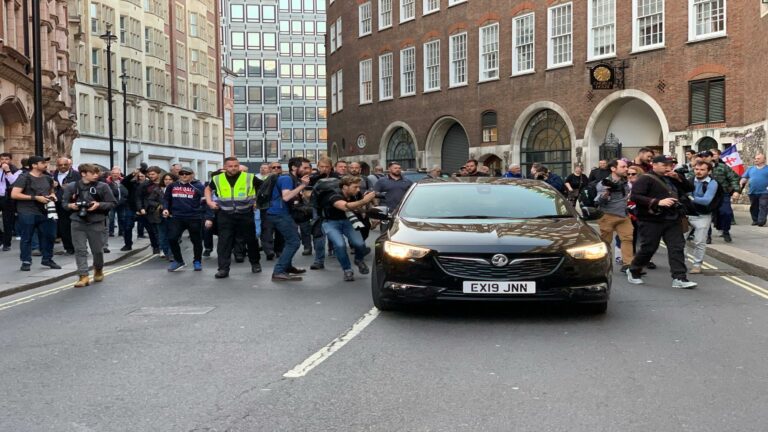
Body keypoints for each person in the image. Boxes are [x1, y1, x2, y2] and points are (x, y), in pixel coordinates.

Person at [627, 155, 697, 289]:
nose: (668, 168)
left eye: (670, 165)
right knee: (649, 248)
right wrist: (658, 202)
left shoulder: (672, 177)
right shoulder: (645, 178)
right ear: (654, 165)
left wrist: (678, 178)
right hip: (651, 219)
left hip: (672, 218)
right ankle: (634, 270)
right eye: (664, 165)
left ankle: (679, 278)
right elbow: (635, 196)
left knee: (677, 247)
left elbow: (690, 188)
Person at [204, 157, 262, 278]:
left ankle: (255, 263)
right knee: (224, 242)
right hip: (225, 214)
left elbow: (263, 188)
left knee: (251, 240)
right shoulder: (217, 178)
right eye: (230, 166)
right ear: (225, 167)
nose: (233, 168)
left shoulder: (249, 177)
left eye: (236, 165)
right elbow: (208, 189)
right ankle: (223, 269)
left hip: (245, 213)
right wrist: (209, 202)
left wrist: (258, 201)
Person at [62, 164, 116, 287]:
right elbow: (64, 203)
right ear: (83, 174)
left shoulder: (103, 186)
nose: (96, 175)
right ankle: (83, 276)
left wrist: (98, 205)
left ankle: (98, 269)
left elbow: (112, 203)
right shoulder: (72, 187)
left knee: (97, 251)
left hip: (96, 222)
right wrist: (71, 206)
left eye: (97, 173)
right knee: (80, 250)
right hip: (77, 222)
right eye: (93, 173)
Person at [10, 156, 61, 271]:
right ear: (34, 165)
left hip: (46, 211)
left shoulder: (48, 178)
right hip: (27, 211)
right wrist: (35, 198)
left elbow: (51, 190)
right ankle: (26, 261)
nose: (45, 164)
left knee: (50, 236)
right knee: (27, 237)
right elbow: (14, 194)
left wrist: (52, 195)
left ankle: (47, 259)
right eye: (42, 162)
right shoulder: (24, 177)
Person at [265, 157, 311, 282]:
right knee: (294, 242)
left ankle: (287, 267)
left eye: (309, 167)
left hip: (283, 213)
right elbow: (286, 197)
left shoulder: (293, 179)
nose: (308, 170)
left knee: (289, 240)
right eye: (305, 167)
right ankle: (279, 271)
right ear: (294, 168)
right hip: (279, 214)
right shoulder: (286, 178)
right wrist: (303, 185)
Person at [321, 176, 376, 281]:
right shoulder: (333, 195)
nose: (358, 189)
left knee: (359, 243)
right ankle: (347, 270)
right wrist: (364, 201)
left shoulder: (356, 195)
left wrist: (372, 214)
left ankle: (359, 260)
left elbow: (359, 208)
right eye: (355, 187)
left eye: (359, 187)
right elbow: (345, 206)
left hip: (348, 221)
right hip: (331, 222)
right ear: (345, 187)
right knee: (340, 245)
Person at [163, 167, 206, 272]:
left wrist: (205, 214)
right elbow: (166, 199)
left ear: (192, 174)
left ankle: (197, 261)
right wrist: (165, 209)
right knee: (172, 238)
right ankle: (178, 261)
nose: (184, 175)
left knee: (196, 240)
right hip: (177, 217)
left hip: (194, 217)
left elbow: (206, 201)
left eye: (187, 173)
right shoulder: (172, 186)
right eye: (182, 173)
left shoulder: (199, 186)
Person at [595, 159, 633, 272]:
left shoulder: (625, 181)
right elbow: (598, 201)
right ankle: (604, 264)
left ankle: (628, 265)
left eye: (626, 166)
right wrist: (605, 195)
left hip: (623, 215)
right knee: (606, 242)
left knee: (628, 239)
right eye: (623, 167)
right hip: (608, 215)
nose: (626, 169)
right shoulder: (603, 183)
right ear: (613, 169)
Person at [686, 161, 720, 274]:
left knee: (699, 241)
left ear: (709, 171)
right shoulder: (689, 180)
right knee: (680, 240)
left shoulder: (713, 183)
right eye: (696, 169)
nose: (698, 172)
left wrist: (690, 197)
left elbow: (706, 201)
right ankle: (681, 262)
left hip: (703, 216)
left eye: (702, 170)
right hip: (686, 214)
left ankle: (697, 265)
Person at [701, 149, 740, 243]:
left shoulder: (723, 167)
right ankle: (708, 236)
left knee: (726, 213)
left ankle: (725, 231)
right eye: (702, 157)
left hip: (722, 194)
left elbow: (734, 178)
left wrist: (736, 191)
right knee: (707, 216)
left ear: (711, 157)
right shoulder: (699, 168)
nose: (704, 158)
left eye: (706, 156)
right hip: (706, 195)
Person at [51, 157, 81, 255]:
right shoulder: (52, 175)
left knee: (75, 227)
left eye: (65, 164)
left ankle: (78, 247)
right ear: (57, 166)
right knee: (63, 227)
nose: (63, 167)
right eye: (60, 165)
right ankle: (68, 248)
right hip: (59, 204)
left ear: (70, 165)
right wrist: (53, 187)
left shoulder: (77, 175)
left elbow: (82, 187)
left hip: (73, 204)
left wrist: (74, 192)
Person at [308, 157, 333, 270]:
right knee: (319, 234)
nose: (324, 169)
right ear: (318, 167)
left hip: (334, 208)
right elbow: (306, 193)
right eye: (322, 167)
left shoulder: (336, 177)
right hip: (317, 208)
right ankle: (319, 260)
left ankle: (335, 250)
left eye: (326, 167)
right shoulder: (312, 178)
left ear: (330, 167)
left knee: (335, 233)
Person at [134, 166, 164, 254]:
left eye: (153, 174)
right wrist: (141, 208)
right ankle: (156, 246)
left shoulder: (164, 183)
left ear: (159, 174)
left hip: (162, 209)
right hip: (149, 210)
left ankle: (163, 247)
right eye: (149, 174)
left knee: (162, 230)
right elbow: (138, 197)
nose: (151, 176)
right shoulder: (145, 184)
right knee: (152, 230)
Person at [0, 152, 21, 251]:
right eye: (2, 159)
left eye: (6, 159)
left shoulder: (16, 171)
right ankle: (1, 238)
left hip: (8, 198)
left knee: (7, 221)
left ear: (10, 160)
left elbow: (14, 182)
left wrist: (7, 171)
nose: (4, 161)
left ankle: (6, 243)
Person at [740, 153, 768, 226]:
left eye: (758, 158)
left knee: (763, 205)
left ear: (764, 160)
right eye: (755, 158)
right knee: (754, 206)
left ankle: (761, 221)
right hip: (752, 191)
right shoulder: (750, 169)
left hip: (765, 192)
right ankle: (755, 220)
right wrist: (741, 182)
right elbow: (745, 177)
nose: (756, 160)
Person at [157, 173, 178, 260]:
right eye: (166, 179)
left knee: (173, 236)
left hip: (174, 216)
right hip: (161, 217)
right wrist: (159, 205)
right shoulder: (158, 190)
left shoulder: (177, 189)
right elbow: (150, 200)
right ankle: (166, 252)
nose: (167, 181)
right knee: (162, 236)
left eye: (170, 179)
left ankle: (171, 254)